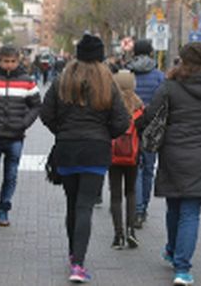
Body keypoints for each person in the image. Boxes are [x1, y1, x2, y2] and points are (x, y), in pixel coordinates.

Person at [40, 34, 130, 283]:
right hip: (96, 151)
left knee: (72, 204)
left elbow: (45, 113)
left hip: (68, 149)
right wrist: (104, 134)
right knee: (85, 206)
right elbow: (122, 121)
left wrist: (62, 130)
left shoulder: (63, 79)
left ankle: (73, 255)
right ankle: (78, 263)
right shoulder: (107, 81)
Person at [138, 42, 201, 286]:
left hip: (173, 153)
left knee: (174, 206)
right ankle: (182, 269)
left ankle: (172, 250)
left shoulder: (170, 85)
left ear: (184, 60)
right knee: (190, 212)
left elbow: (150, 115)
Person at [0, 45, 41, 227]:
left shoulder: (27, 81)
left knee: (10, 175)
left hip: (15, 136)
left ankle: (4, 209)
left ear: (18, 61)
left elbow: (36, 105)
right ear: (0, 60)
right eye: (5, 61)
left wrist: (24, 123)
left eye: (12, 61)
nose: (9, 65)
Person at [126, 39, 165, 229]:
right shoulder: (159, 76)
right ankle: (142, 209)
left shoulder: (127, 74)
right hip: (152, 128)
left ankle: (137, 207)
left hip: (131, 126)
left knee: (136, 168)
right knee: (149, 168)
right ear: (151, 53)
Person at [108, 70, 144, 250]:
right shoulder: (139, 107)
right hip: (133, 156)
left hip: (113, 156)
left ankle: (118, 235)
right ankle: (131, 231)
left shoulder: (110, 105)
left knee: (115, 195)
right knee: (130, 192)